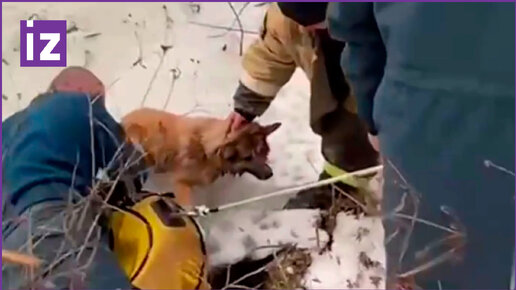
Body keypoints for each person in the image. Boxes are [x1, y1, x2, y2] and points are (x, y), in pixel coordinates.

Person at [327, 2, 515, 288]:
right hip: (424, 119)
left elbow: (355, 26)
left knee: (436, 271)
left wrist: (371, 111)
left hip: (422, 126)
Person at [228, 2, 379, 210]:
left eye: (318, 22)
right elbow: (271, 56)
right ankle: (343, 184)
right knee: (339, 123)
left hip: (383, 75)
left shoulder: (383, 13)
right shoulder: (284, 19)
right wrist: (246, 106)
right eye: (304, 23)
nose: (307, 28)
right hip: (334, 76)